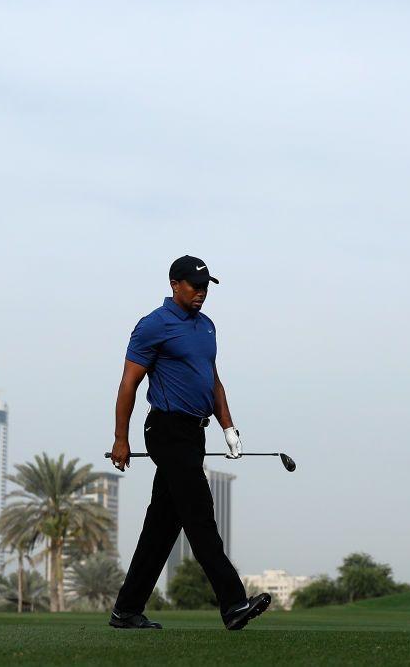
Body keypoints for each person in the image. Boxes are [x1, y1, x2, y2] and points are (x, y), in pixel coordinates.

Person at [107, 255, 271, 631]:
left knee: (162, 526)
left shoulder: (207, 327)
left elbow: (212, 379)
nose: (201, 293)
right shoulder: (153, 325)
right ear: (174, 285)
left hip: (195, 432)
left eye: (205, 287)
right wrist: (121, 438)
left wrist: (229, 428)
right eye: (194, 286)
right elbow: (128, 383)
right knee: (199, 513)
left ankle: (126, 610)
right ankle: (233, 604)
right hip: (165, 429)